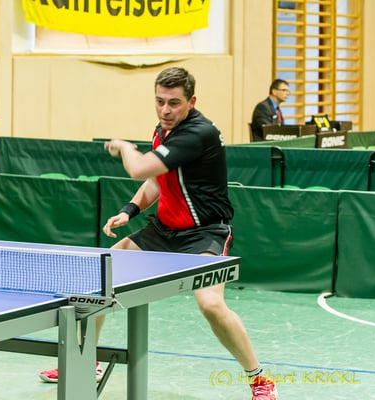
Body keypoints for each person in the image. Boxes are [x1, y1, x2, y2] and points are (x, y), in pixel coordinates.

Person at [40, 67, 277, 400]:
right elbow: (155, 181)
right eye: (160, 101)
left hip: (205, 232)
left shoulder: (198, 133)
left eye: (174, 103)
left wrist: (125, 147)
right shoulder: (163, 130)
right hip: (164, 229)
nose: (165, 110)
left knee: (211, 304)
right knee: (99, 279)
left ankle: (259, 379)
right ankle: (85, 362)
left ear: (191, 102)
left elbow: (139, 168)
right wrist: (129, 210)